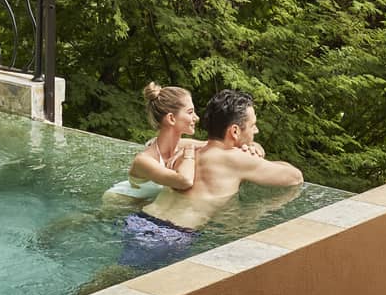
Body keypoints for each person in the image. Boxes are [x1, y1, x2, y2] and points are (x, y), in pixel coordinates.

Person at [119, 89, 302, 270]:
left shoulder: (187, 150)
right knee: (117, 279)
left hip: (140, 219)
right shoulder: (237, 160)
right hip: (170, 235)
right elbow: (295, 177)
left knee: (122, 275)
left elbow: (155, 143)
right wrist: (256, 156)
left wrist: (252, 146)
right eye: (253, 125)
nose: (257, 130)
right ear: (235, 131)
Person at [104, 83, 202, 202]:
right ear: (171, 118)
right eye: (190, 112)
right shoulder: (144, 160)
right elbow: (184, 181)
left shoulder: (182, 145)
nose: (196, 118)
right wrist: (189, 153)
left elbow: (217, 145)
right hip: (118, 204)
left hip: (145, 207)